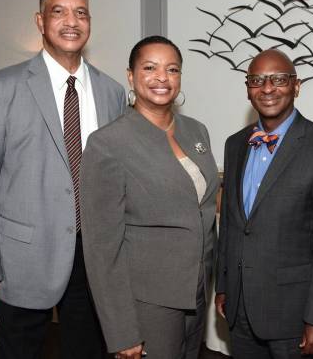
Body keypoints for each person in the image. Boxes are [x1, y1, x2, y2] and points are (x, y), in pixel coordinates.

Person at [0, 0, 125, 359]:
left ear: (90, 21)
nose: (72, 21)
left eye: (81, 12)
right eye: (59, 11)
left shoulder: (112, 93)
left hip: (93, 260)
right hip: (22, 262)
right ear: (40, 20)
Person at [80, 35, 219, 359]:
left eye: (172, 69)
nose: (162, 78)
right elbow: (102, 249)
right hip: (147, 302)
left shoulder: (196, 130)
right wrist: (121, 331)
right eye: (150, 68)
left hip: (196, 290)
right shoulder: (108, 144)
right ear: (131, 75)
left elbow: (203, 207)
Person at [214, 49, 313, 358]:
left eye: (278, 79)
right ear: (248, 88)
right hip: (240, 308)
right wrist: (224, 285)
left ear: (296, 86)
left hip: (294, 314)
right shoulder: (235, 144)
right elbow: (232, 224)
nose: (267, 88)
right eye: (257, 80)